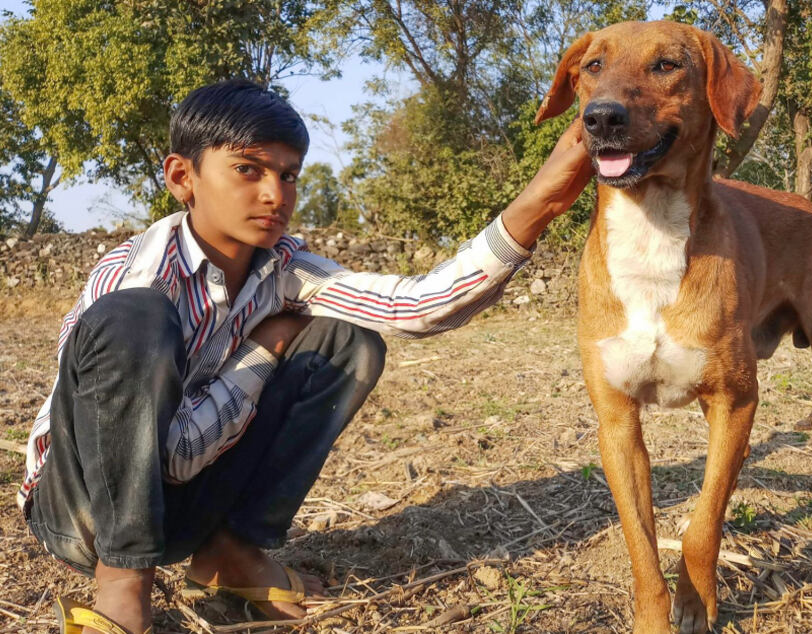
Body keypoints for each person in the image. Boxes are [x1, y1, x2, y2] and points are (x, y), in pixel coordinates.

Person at [20, 79, 591, 633]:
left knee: (348, 341)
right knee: (133, 318)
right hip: (85, 509)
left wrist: (541, 200)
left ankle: (231, 550)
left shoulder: (286, 269)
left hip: (181, 501)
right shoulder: (135, 276)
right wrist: (266, 347)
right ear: (181, 177)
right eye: (248, 169)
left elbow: (420, 305)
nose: (276, 195)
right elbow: (172, 456)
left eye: (288, 174)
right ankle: (123, 580)